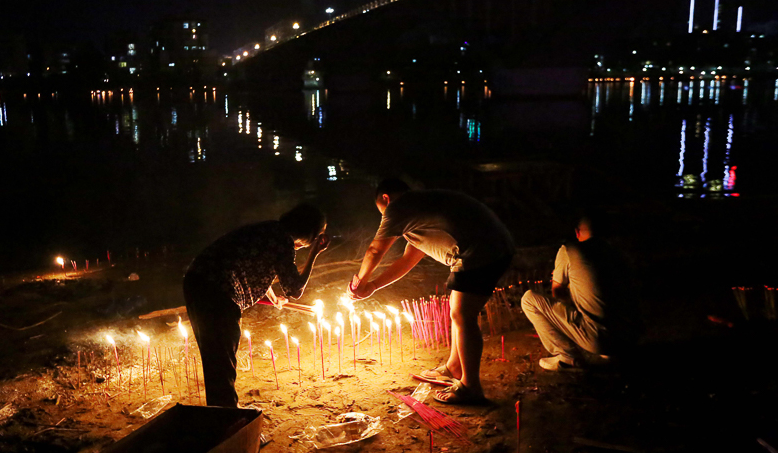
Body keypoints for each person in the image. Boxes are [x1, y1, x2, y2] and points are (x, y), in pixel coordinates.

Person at [348, 179, 514, 405]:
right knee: (459, 313)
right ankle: (455, 367)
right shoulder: (421, 212)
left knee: (463, 315)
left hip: (480, 252)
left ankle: (470, 386)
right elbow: (408, 259)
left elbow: (375, 249)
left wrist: (359, 282)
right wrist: (373, 286)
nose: (384, 217)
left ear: (386, 198)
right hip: (489, 248)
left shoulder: (400, 206)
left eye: (381, 211)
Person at [183, 203, 330, 407]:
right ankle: (229, 424)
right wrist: (314, 253)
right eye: (316, 236)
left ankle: (221, 416)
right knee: (221, 362)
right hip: (217, 290)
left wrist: (271, 296)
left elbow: (255, 266)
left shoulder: (269, 229)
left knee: (216, 359)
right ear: (309, 233)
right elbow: (295, 289)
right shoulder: (281, 240)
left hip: (197, 282)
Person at [521, 212, 638, 370]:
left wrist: (569, 315)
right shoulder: (616, 253)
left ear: (577, 232)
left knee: (529, 299)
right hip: (630, 337)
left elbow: (557, 291)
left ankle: (567, 355)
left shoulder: (570, 250)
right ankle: (611, 352)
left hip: (599, 339)